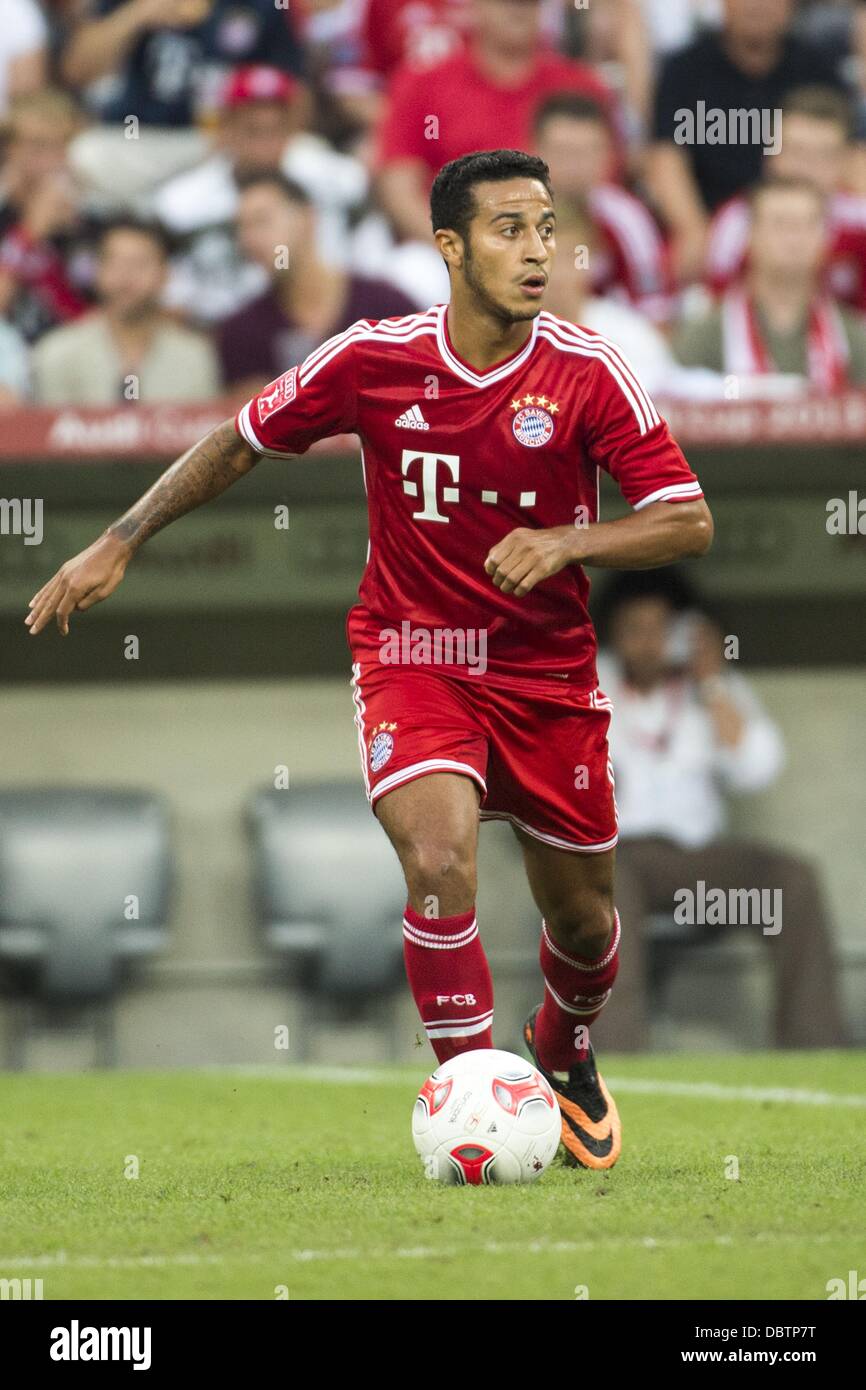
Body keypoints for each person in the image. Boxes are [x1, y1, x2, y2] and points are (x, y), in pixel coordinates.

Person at [25, 148, 713, 1172]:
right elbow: (239, 438)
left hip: (548, 676)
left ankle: (561, 1050)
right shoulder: (372, 357)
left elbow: (687, 521)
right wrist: (121, 536)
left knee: (582, 919)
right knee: (436, 861)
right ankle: (475, 1106)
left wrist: (569, 542)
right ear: (448, 246)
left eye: (544, 227)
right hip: (413, 654)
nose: (537, 251)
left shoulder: (587, 368)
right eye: (507, 229)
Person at [590, 570, 848, 1051]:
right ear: (613, 632)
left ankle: (816, 1047)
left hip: (702, 864)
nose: (647, 643)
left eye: (658, 629)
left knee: (792, 878)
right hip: (622, 857)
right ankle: (614, 1057)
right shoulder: (594, 678)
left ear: (682, 630)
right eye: (634, 629)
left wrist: (711, 683)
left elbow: (758, 768)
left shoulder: (711, 683)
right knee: (609, 877)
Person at [375, 0, 614, 245]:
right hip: (447, 246)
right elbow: (399, 189)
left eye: (529, 4)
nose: (516, 9)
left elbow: (604, 185)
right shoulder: (423, 82)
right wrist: (462, 249)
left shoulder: (581, 86)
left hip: (560, 245)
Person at [647, 0, 848, 283]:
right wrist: (692, 228)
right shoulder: (685, 69)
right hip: (709, 216)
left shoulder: (818, 69)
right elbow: (665, 156)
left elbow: (851, 153)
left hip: (815, 214)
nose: (758, 6)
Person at [153, 65, 369, 324]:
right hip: (221, 331)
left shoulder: (340, 180)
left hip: (328, 320)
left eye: (276, 129)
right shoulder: (181, 204)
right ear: (226, 128)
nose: (265, 145)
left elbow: (369, 264)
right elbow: (170, 294)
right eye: (253, 130)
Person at [217, 171, 415, 398]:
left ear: (308, 218)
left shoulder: (386, 307)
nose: (248, 240)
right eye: (242, 228)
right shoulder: (242, 332)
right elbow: (254, 421)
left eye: (262, 221)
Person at [674, 176, 866, 389]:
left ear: (826, 238)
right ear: (750, 235)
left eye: (808, 224)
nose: (795, 238)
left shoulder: (854, 338)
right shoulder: (705, 336)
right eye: (780, 223)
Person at [705, 85, 866, 313]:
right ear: (769, 155)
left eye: (823, 155)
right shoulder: (737, 223)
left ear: (845, 162)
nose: (806, 168)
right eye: (796, 151)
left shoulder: (860, 222)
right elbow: (721, 314)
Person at [31, 218, 220, 405]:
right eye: (115, 262)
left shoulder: (194, 357)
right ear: (97, 270)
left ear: (165, 274)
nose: (125, 276)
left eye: (140, 264)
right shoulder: (56, 353)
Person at [534, 92, 671, 322]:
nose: (574, 166)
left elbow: (656, 314)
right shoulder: (508, 219)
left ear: (608, 154)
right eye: (563, 151)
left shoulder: (627, 220)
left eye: (587, 152)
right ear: (534, 151)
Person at [542, 195, 677, 395]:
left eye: (571, 257)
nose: (559, 272)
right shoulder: (505, 337)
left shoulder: (629, 333)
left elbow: (668, 394)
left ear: (591, 261)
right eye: (546, 258)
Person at [0, 89, 94, 343]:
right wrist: (30, 232)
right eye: (38, 146)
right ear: (10, 149)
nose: (53, 161)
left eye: (62, 146)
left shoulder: (92, 218)